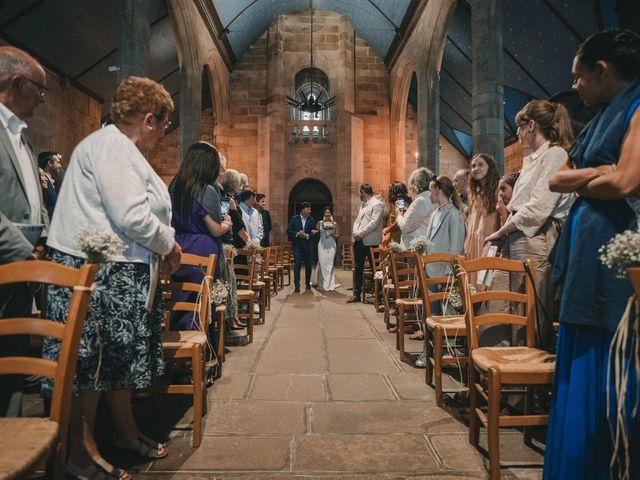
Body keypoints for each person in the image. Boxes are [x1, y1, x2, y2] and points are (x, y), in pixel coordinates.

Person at [44, 76, 181, 479]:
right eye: (165, 126)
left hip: (116, 272)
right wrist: (168, 246)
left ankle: (123, 432)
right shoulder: (112, 147)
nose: (164, 135)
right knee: (93, 366)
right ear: (150, 119)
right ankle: (81, 455)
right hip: (100, 273)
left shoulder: (121, 149)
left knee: (116, 365)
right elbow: (131, 216)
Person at [544, 28, 640, 480]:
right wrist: (599, 171)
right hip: (586, 254)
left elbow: (626, 182)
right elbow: (556, 180)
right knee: (577, 352)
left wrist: (595, 175)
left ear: (602, 70)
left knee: (603, 360)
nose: (575, 86)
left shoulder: (636, 108)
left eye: (579, 77)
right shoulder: (599, 118)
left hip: (612, 258)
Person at [484, 99, 574, 350]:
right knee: (501, 306)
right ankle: (498, 374)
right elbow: (520, 203)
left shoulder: (555, 154)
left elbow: (539, 207)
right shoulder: (533, 158)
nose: (517, 134)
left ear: (531, 125)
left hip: (538, 238)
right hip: (518, 236)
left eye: (520, 127)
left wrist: (503, 229)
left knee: (527, 313)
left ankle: (521, 382)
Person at [0, 46, 49, 418]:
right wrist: (22, 251)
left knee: (12, 373)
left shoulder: (23, 137)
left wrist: (44, 237)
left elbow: (36, 199)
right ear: (16, 83)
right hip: (9, 262)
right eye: (39, 89)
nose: (42, 99)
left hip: (22, 273)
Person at [169, 142, 233, 331]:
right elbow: (214, 229)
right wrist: (227, 223)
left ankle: (180, 342)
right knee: (201, 301)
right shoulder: (207, 189)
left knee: (180, 296)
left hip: (178, 245)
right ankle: (203, 345)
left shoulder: (174, 186)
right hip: (202, 249)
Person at [464, 153, 500, 285]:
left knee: (485, 283)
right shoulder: (473, 192)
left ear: (489, 167)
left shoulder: (497, 188)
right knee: (472, 283)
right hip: (473, 241)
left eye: (480, 164)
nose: (476, 168)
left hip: (488, 241)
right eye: (473, 166)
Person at [347, 184, 384, 303]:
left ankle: (378, 295)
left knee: (375, 269)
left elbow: (374, 223)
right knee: (358, 268)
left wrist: (360, 234)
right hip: (359, 241)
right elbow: (357, 220)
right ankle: (356, 294)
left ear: (364, 192)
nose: (359, 195)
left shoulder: (377, 204)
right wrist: (355, 232)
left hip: (371, 242)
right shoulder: (362, 205)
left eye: (360, 193)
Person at [396, 167, 436, 249]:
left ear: (416, 184)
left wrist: (399, 215)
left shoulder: (420, 201)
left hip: (414, 247)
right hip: (425, 244)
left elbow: (406, 227)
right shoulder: (432, 197)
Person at [287, 201, 317, 292]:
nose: (310, 211)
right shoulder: (294, 219)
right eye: (308, 209)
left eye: (310, 209)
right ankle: (297, 285)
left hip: (308, 246)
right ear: (302, 210)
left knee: (308, 265)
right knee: (297, 264)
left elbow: (314, 231)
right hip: (297, 246)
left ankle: (308, 284)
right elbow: (288, 231)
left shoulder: (311, 220)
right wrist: (297, 233)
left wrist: (307, 236)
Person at [316, 206, 340, 291]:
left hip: (331, 245)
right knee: (322, 264)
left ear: (331, 213)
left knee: (329, 264)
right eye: (325, 212)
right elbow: (316, 231)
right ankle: (322, 284)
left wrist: (331, 234)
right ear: (323, 214)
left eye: (328, 212)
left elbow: (338, 236)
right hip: (322, 245)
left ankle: (329, 284)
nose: (327, 214)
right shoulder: (320, 223)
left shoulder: (335, 224)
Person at [381, 181, 409, 247]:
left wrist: (387, 229)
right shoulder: (402, 202)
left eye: (390, 190)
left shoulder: (400, 202)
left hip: (397, 239)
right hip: (395, 238)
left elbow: (400, 222)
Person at [37, 151, 62, 219]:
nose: (60, 166)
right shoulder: (43, 182)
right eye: (58, 162)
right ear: (50, 163)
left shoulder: (52, 183)